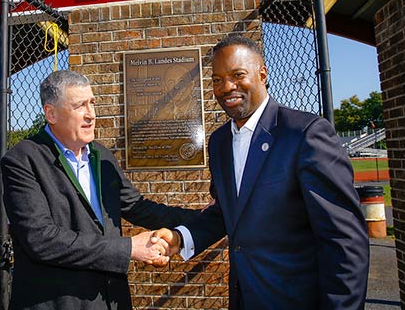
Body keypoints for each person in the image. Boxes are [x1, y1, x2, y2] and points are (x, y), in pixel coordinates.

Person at [154, 32, 370, 309]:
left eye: (238, 75)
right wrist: (181, 237)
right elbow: (227, 211)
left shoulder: (305, 134)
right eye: (217, 80)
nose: (226, 87)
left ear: (262, 74)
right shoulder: (219, 142)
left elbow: (344, 239)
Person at [0, 69, 197, 310]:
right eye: (79, 106)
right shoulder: (21, 160)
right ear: (50, 113)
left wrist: (201, 217)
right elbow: (41, 239)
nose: (91, 115)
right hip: (58, 302)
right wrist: (129, 248)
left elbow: (137, 207)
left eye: (92, 104)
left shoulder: (101, 155)